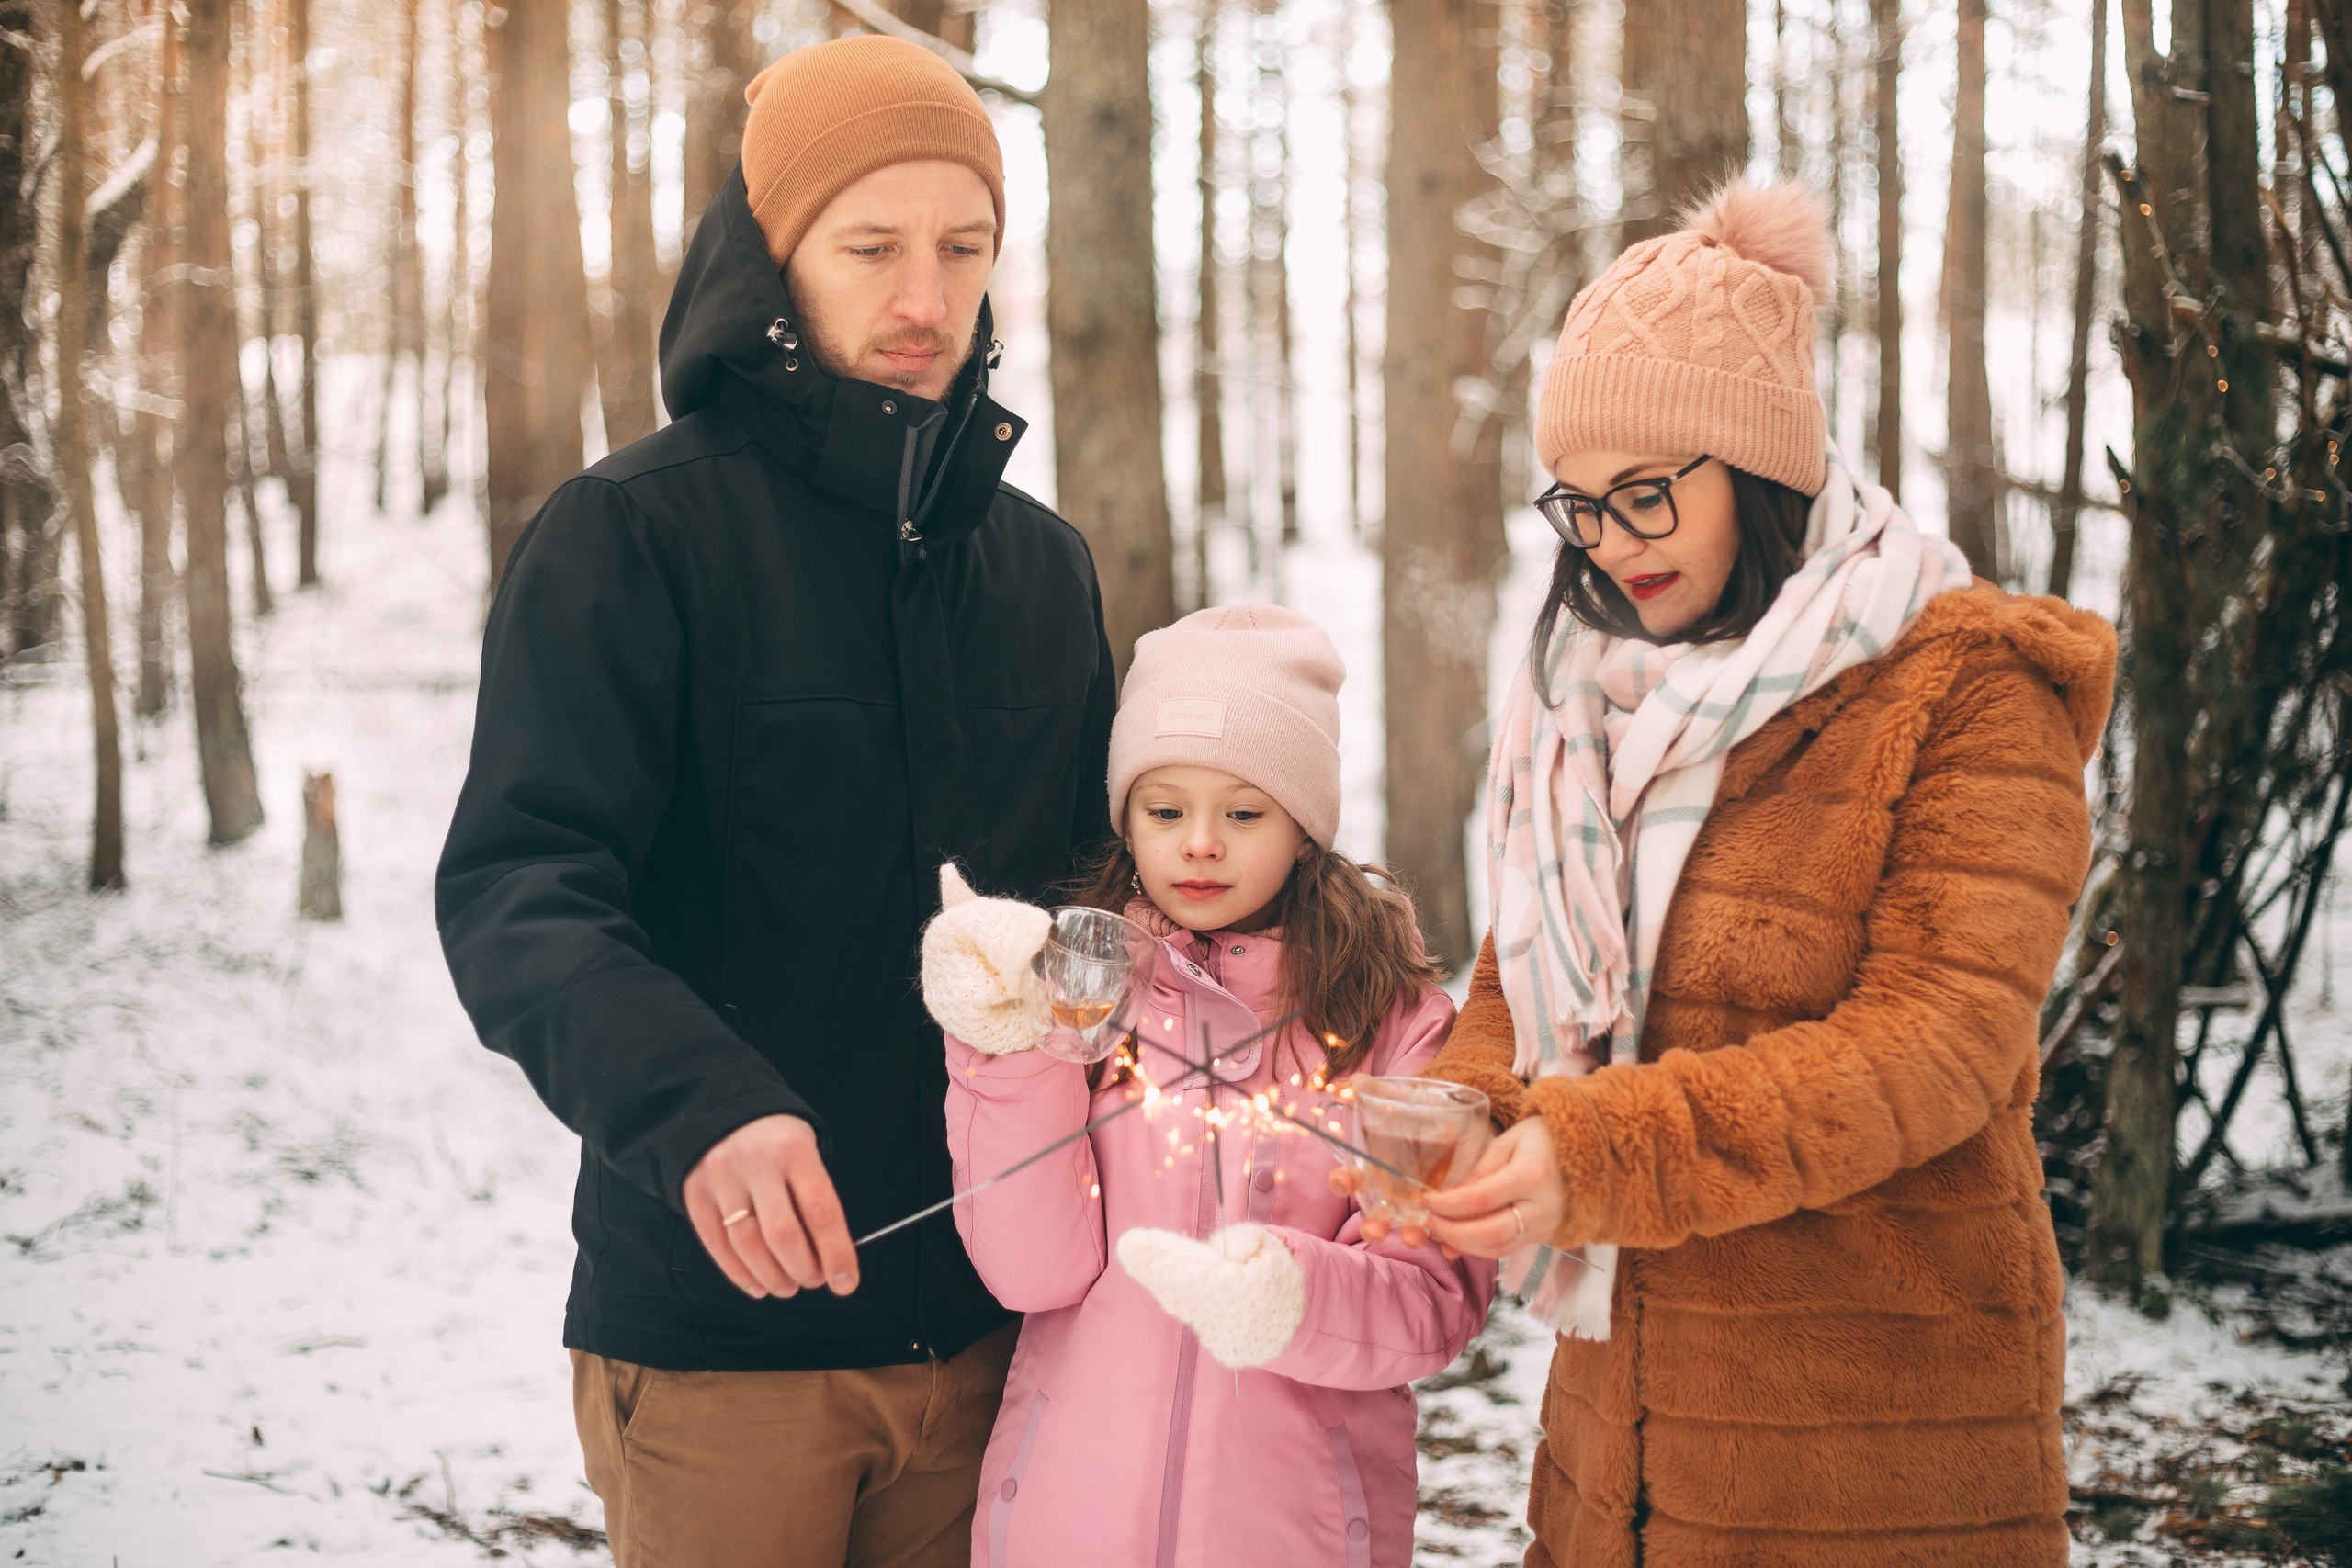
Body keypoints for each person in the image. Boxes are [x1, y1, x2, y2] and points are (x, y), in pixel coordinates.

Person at [434, 36, 1116, 1568]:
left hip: (999, 1335)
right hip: (721, 1343)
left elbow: (1094, 900)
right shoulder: (630, 539)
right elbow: (522, 886)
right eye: (871, 247)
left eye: (964, 247)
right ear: (775, 258)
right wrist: (702, 1108)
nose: (925, 297)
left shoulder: (1044, 568)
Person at [1397, 183, 2117, 1566]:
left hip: (1871, 1442)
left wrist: (1600, 1149)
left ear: (1764, 461)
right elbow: (1520, 974)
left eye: (1652, 491)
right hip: (1622, 1453)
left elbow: (1940, 1045)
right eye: (1582, 507)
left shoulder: (1964, 684)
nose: (1613, 543)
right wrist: (1467, 1110)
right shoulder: (1586, 705)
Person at [917, 604, 1498, 1568]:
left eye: (1242, 812)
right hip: (1070, 1523)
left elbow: (1433, 1301)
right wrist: (1007, 1048)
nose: (1199, 844)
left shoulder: (1394, 1025)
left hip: (1293, 1533)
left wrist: (1292, 1297)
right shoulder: (1080, 992)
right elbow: (1031, 1272)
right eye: (1165, 809)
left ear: (1305, 826)